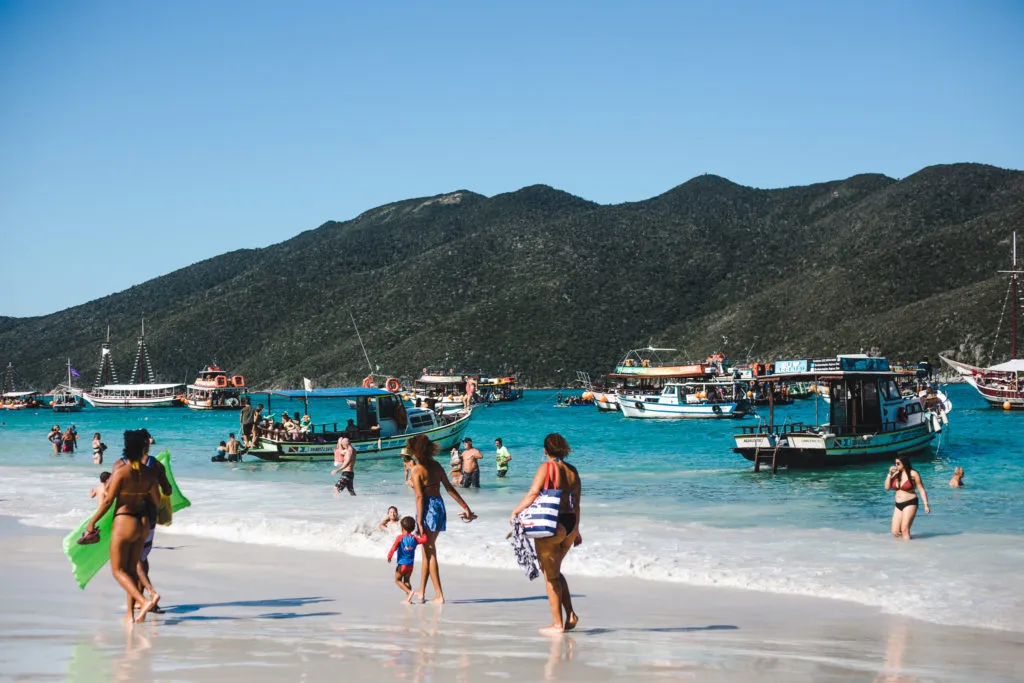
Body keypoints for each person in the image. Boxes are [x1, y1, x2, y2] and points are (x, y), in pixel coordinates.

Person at [85, 429, 161, 622]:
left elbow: (108, 500)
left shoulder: (121, 471)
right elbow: (157, 500)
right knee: (132, 569)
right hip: (143, 523)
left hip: (124, 521)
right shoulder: (150, 473)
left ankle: (143, 601)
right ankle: (130, 614)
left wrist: (92, 521)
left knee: (118, 570)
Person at [510, 433, 581, 634]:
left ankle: (557, 624)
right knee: (555, 571)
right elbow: (576, 503)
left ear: (545, 450)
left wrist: (515, 512)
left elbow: (533, 493)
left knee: (550, 576)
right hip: (569, 523)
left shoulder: (546, 467)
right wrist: (576, 530)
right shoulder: (572, 471)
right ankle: (570, 614)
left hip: (552, 524)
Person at [406, 433, 476, 603]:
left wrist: (419, 521)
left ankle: (439, 595)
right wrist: (466, 507)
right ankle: (422, 592)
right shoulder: (436, 466)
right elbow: (449, 488)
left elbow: (419, 497)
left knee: (430, 552)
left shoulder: (417, 470)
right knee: (426, 551)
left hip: (427, 510)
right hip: (439, 506)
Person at [112, 430, 171, 613]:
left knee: (132, 562)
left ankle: (148, 597)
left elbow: (109, 494)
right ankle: (141, 599)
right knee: (141, 559)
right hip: (149, 519)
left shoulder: (120, 465)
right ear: (147, 445)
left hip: (126, 518)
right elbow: (167, 490)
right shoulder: (156, 465)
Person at [885, 456, 930, 541]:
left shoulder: (913, 474)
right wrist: (889, 473)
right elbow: (887, 488)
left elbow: (921, 489)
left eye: (898, 463)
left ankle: (909, 547)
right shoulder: (896, 474)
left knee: (905, 530)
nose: (896, 465)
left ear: (904, 463)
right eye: (895, 463)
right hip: (898, 505)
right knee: (895, 532)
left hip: (910, 502)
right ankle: (902, 547)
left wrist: (926, 505)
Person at [387, 516, 429, 602]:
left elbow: (394, 548)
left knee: (397, 580)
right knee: (407, 580)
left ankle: (409, 592)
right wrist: (423, 532)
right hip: (410, 565)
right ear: (413, 529)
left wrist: (389, 556)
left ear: (402, 527)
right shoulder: (415, 538)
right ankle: (408, 599)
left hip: (402, 564)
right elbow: (424, 540)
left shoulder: (400, 538)